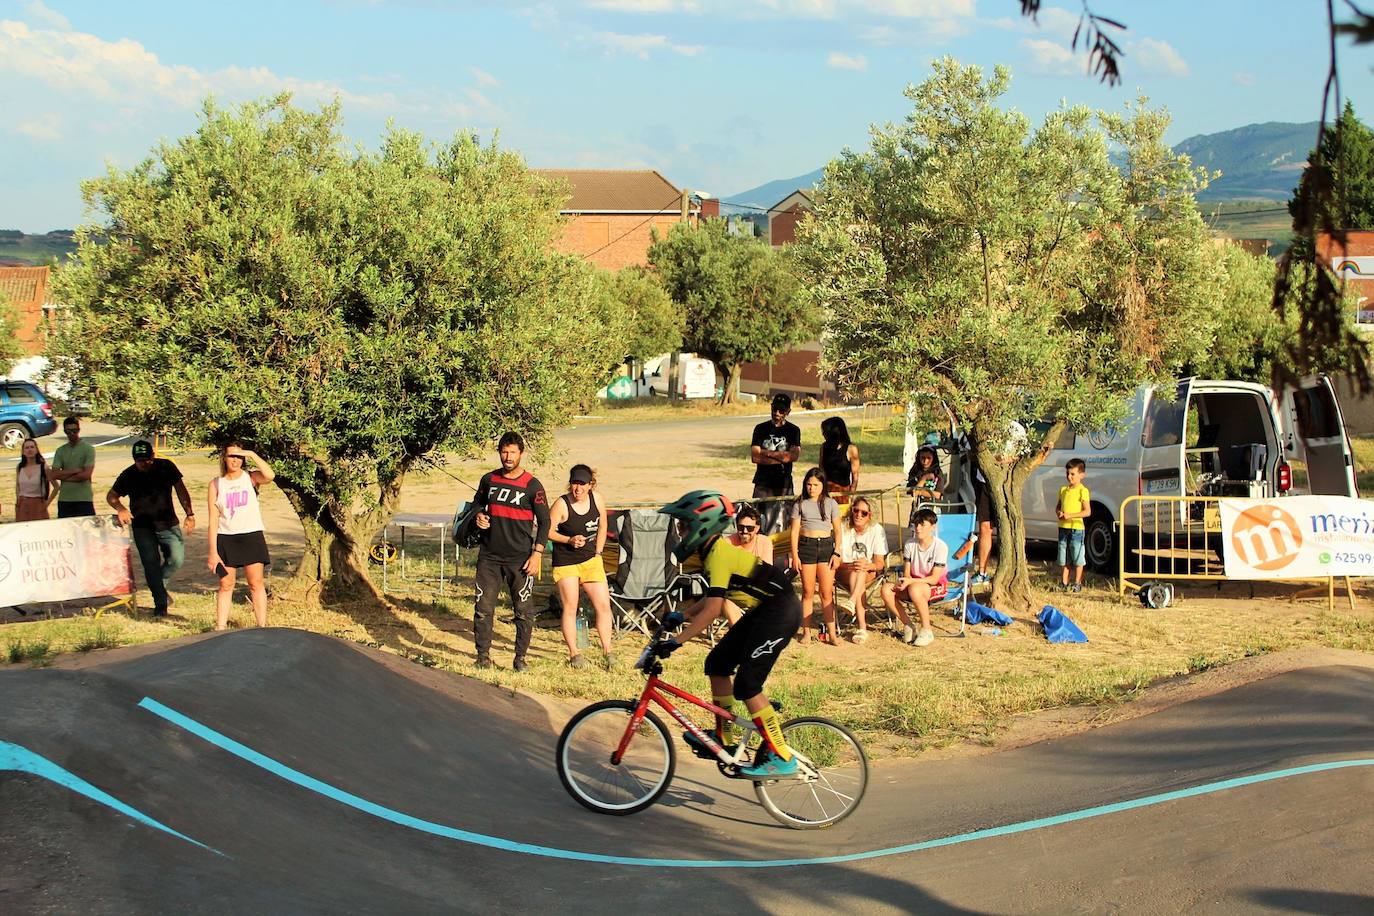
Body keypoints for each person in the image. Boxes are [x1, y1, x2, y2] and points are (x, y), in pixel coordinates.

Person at [652, 490, 803, 779]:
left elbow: (713, 611)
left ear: (701, 526)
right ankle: (725, 737)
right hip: (764, 612)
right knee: (717, 664)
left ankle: (782, 756)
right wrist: (683, 615)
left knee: (747, 685)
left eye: (683, 525)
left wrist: (675, 642)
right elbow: (714, 597)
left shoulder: (719, 555)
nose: (680, 532)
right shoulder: (713, 553)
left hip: (780, 614)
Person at [472, 431, 550, 672]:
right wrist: (479, 515)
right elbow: (476, 504)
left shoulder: (532, 486)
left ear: (521, 454)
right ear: (499, 453)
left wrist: (537, 554)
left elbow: (545, 522)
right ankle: (483, 657)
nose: (508, 457)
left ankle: (520, 659)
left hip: (521, 559)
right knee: (483, 610)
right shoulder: (489, 480)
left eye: (512, 452)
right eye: (504, 452)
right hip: (489, 557)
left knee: (523, 612)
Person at [108, 440, 195, 617]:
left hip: (168, 523)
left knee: (176, 559)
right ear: (134, 459)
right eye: (139, 461)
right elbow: (111, 495)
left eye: (147, 459)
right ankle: (160, 604)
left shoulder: (166, 467)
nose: (144, 463)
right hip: (142, 527)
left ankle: (158, 584)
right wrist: (120, 508)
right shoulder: (128, 474)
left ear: (153, 456)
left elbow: (181, 489)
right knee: (150, 564)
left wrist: (190, 513)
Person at [549, 464, 613, 670]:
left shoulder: (597, 499)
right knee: (571, 606)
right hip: (566, 562)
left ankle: (608, 651)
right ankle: (574, 653)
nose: (578, 488)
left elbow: (603, 525)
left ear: (590, 485)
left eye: (582, 484)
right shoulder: (561, 504)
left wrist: (599, 552)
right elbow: (546, 531)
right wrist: (568, 540)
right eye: (574, 484)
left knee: (603, 605)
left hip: (591, 560)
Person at [207, 443, 275, 630]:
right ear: (224, 458)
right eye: (231, 456)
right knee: (226, 584)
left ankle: (261, 626)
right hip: (226, 538)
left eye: (239, 456)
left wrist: (252, 454)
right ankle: (220, 627)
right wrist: (213, 552)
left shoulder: (251, 478)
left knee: (256, 583)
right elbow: (213, 520)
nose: (235, 460)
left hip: (251, 536)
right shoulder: (216, 484)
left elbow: (270, 476)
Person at [880, 507, 948, 648]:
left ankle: (927, 630)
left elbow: (934, 579)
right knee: (886, 589)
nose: (918, 528)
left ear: (933, 527)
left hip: (934, 586)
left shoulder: (940, 547)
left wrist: (911, 582)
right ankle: (909, 625)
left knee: (915, 589)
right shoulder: (910, 544)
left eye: (922, 525)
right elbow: (907, 571)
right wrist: (905, 581)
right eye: (916, 524)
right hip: (914, 584)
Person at [789, 467, 843, 645]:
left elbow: (838, 530)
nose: (812, 488)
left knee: (826, 593)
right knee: (808, 591)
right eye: (809, 484)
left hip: (826, 547)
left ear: (823, 485)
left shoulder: (831, 503)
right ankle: (806, 632)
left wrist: (837, 552)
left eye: (816, 485)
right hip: (807, 547)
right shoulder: (799, 504)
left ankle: (832, 634)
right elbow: (794, 532)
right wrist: (795, 555)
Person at [835, 496, 887, 644]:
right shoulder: (843, 527)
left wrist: (867, 565)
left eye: (864, 513)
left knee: (860, 571)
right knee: (857, 572)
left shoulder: (877, 530)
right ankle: (862, 628)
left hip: (868, 571)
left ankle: (852, 602)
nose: (858, 515)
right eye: (855, 510)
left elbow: (879, 563)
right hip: (845, 569)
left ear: (870, 515)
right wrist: (853, 565)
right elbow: (838, 559)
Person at [750, 393, 801, 535]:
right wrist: (782, 457)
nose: (777, 413)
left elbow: (794, 456)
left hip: (783, 483)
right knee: (759, 518)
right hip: (763, 482)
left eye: (781, 410)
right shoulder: (760, 428)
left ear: (788, 412)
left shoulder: (793, 430)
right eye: (774, 409)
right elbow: (755, 457)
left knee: (784, 518)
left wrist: (766, 453)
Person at [49, 417, 96, 518]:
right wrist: (75, 470)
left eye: (74, 431)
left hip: (84, 499)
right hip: (65, 499)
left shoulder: (88, 449)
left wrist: (64, 476)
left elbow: (86, 475)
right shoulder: (60, 451)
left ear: (79, 430)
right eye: (68, 431)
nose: (72, 434)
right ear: (65, 431)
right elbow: (54, 474)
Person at [1056, 458, 1091, 592]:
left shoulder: (1083, 491)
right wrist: (1059, 513)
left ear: (1081, 475)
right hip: (1063, 528)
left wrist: (1070, 515)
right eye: (1067, 473)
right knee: (1064, 557)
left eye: (1072, 474)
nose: (1069, 477)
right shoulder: (1063, 490)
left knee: (1077, 556)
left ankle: (1077, 583)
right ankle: (1064, 582)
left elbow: (1087, 511)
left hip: (1076, 529)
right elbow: (1058, 507)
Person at [14, 437, 56, 522]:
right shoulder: (20, 467)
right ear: (23, 451)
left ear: (36, 450)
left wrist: (46, 503)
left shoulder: (43, 467)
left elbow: (56, 487)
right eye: (27, 448)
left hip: (38, 504)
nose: (30, 450)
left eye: (32, 447)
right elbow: (17, 486)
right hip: (22, 504)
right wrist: (18, 501)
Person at [818, 416, 860, 503]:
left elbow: (855, 475)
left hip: (843, 491)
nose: (823, 434)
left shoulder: (851, 448)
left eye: (825, 432)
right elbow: (821, 469)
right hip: (827, 490)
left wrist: (851, 493)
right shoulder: (824, 447)